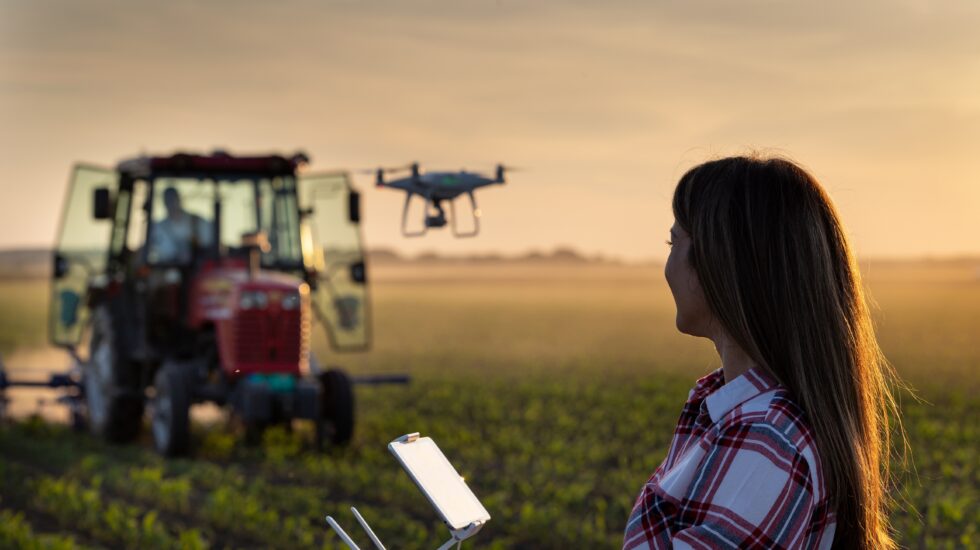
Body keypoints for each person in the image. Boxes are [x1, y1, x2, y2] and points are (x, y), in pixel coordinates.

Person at [623, 156, 903, 549]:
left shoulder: (768, 441)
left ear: (721, 262)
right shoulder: (742, 413)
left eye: (674, 242)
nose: (667, 267)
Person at [151, 187, 212, 263]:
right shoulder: (157, 228)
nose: (171, 204)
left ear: (179, 200)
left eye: (173, 199)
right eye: (168, 201)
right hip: (165, 268)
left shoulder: (198, 222)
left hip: (196, 268)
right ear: (164, 203)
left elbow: (213, 247)